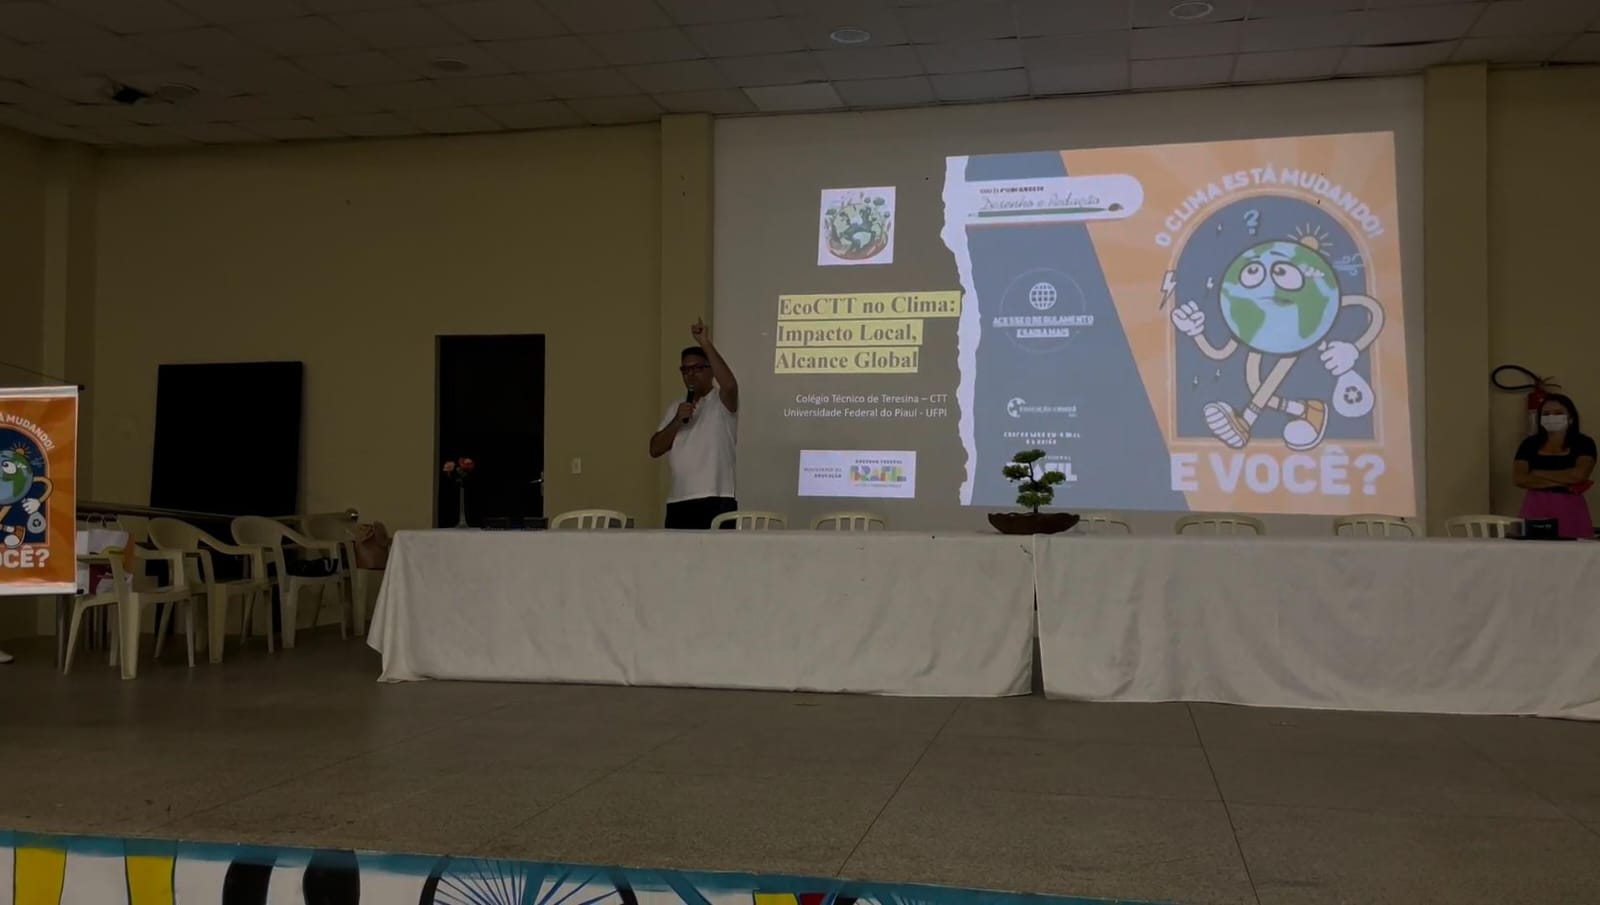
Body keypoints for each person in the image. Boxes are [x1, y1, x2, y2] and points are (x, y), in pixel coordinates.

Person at [650, 318, 738, 529]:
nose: (690, 375)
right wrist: (677, 421)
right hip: (679, 500)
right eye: (685, 370)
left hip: (716, 498)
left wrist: (704, 342)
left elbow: (730, 385)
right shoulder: (676, 407)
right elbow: (655, 449)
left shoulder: (721, 402)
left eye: (697, 368)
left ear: (710, 370)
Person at [1513, 393, 1596, 539]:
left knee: (1575, 550)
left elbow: (1579, 475)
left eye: (1558, 413)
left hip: (1570, 508)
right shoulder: (1529, 444)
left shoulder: (1584, 443)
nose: (1552, 417)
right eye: (1546, 414)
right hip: (1534, 506)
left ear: (1570, 417)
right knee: (1531, 549)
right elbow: (1520, 478)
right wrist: (1565, 481)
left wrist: (1537, 473)